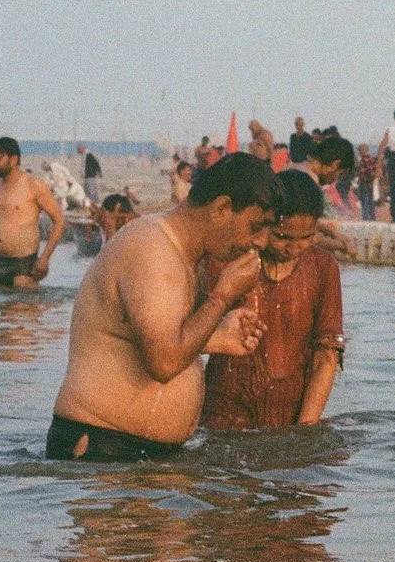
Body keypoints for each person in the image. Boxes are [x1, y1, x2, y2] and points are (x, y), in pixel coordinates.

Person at [46, 153, 280, 461]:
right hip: (103, 448)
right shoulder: (152, 248)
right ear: (222, 208)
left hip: (137, 453)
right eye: (256, 226)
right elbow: (165, 362)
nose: (262, 242)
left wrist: (217, 336)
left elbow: (149, 338)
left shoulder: (183, 253)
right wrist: (221, 297)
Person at [202, 169, 345, 430]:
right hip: (223, 413)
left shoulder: (323, 267)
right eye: (282, 237)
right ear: (264, 223)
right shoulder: (230, 261)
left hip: (291, 415)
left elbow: (326, 355)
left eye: (307, 237)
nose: (294, 248)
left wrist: (305, 428)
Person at [0, 137, 66, 290]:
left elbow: (59, 221)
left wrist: (44, 259)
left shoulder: (33, 185)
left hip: (24, 263)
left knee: (21, 309)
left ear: (14, 159)